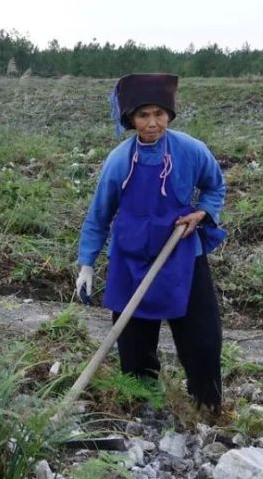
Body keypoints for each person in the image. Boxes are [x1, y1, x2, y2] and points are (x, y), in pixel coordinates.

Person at [76, 74, 227, 411]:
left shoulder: (191, 150)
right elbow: (99, 215)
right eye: (143, 115)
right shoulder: (118, 161)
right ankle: (144, 406)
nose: (152, 123)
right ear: (130, 118)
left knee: (202, 337)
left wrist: (202, 213)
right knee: (134, 341)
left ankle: (207, 404)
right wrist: (87, 263)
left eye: (159, 114)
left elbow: (215, 187)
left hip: (181, 255)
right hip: (131, 259)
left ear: (170, 114)